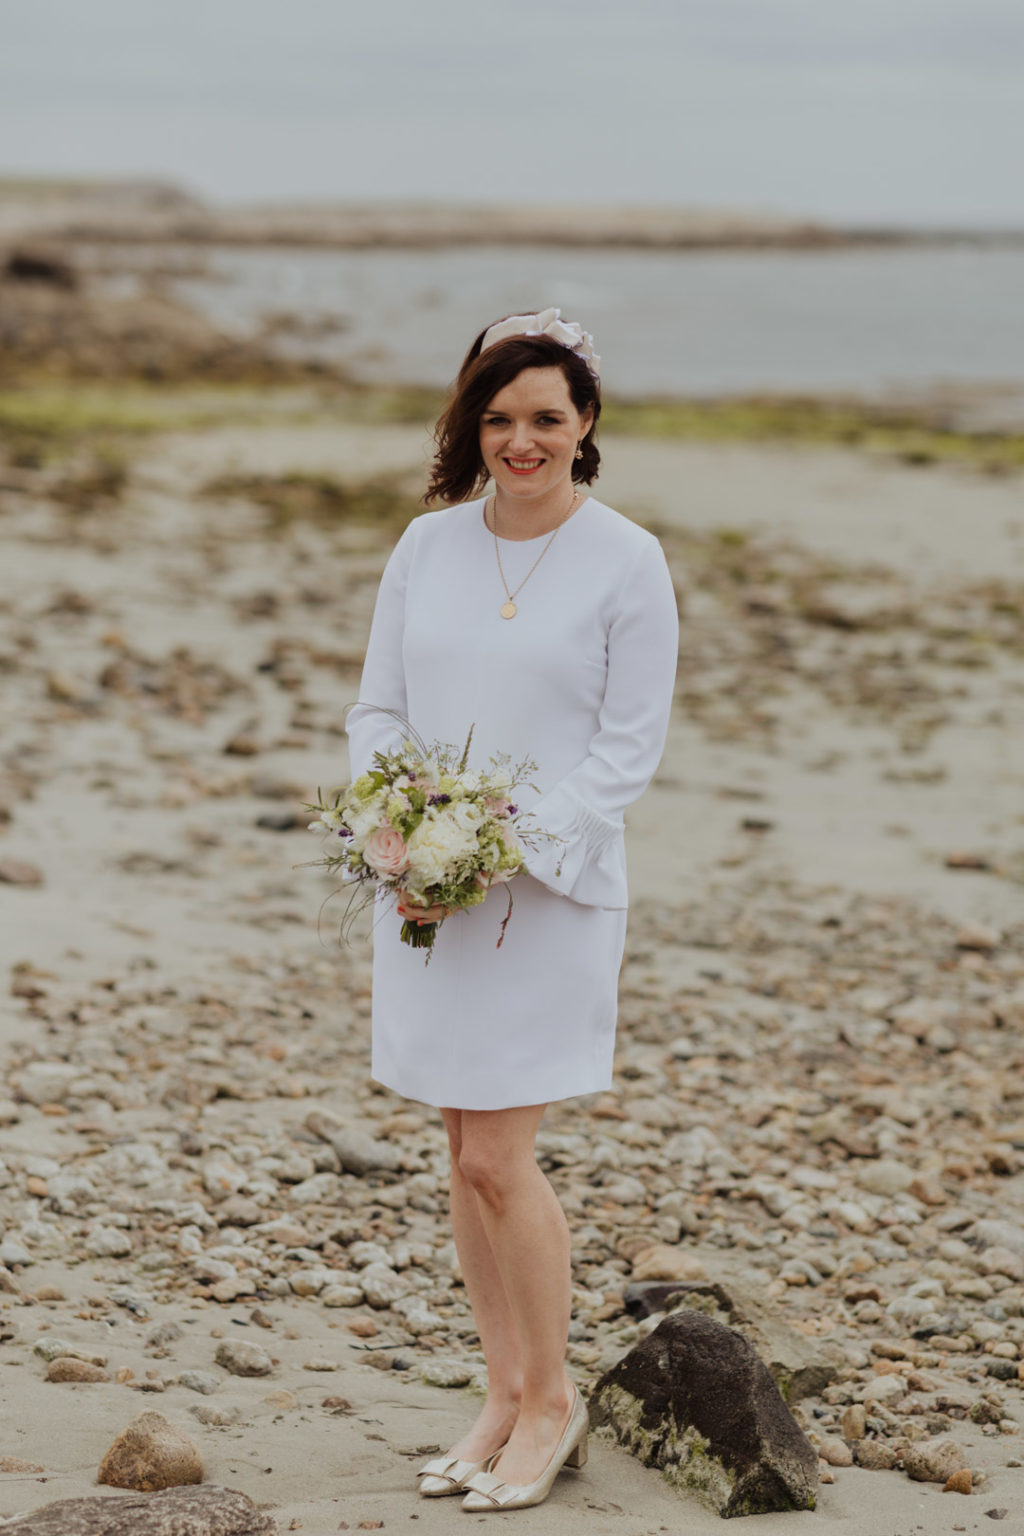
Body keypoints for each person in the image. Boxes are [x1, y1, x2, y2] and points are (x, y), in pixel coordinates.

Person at [345, 307, 679, 1512]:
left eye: (545, 417)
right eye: (498, 418)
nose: (521, 440)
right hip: (426, 889)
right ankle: (500, 1390)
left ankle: (553, 1401)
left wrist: (504, 844)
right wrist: (399, 820)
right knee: (459, 1152)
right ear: (470, 425)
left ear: (584, 422)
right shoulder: (425, 547)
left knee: (499, 1153)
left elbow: (627, 750)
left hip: (547, 894)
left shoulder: (626, 558)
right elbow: (377, 709)